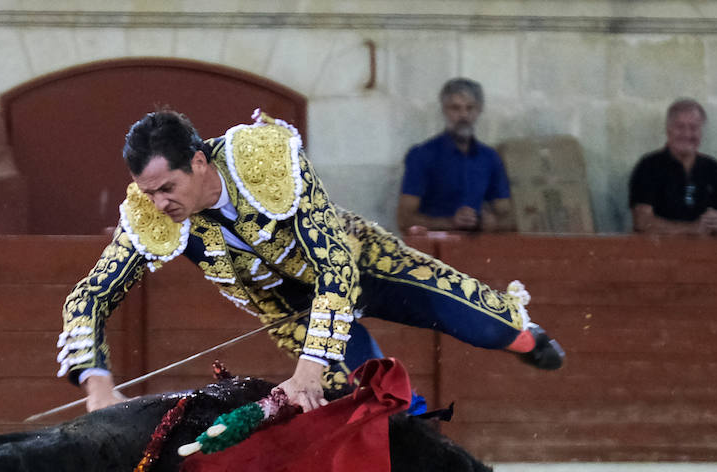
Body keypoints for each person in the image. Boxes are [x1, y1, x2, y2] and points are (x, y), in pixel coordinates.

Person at [58, 110, 563, 414]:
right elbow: (90, 296)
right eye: (150, 193)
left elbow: (335, 268)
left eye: (168, 188)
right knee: (372, 400)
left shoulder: (260, 159)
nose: (160, 204)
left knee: (484, 323)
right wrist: (97, 384)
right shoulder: (151, 213)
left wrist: (306, 371)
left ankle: (525, 337)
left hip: (363, 263)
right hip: (292, 311)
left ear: (198, 162)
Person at [397, 78, 513, 234]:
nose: (463, 115)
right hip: (433, 251)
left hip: (478, 249)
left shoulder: (489, 158)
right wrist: (450, 223)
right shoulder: (422, 155)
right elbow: (404, 220)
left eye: (470, 108)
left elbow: (510, 218)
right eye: (455, 108)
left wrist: (492, 223)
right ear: (444, 110)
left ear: (479, 111)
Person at [629, 99, 717, 235]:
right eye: (680, 127)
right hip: (660, 253)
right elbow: (642, 221)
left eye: (694, 127)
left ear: (701, 131)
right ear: (668, 130)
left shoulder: (712, 167)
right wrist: (691, 229)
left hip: (707, 253)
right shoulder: (648, 166)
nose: (687, 134)